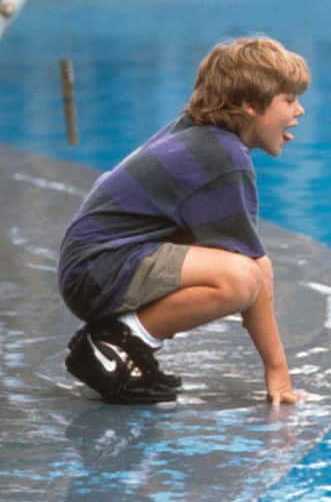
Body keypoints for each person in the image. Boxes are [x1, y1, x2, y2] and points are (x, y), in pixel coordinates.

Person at [57, 36, 308, 406]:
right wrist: (278, 373)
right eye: (288, 100)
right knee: (241, 278)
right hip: (98, 269)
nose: (299, 111)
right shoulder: (223, 157)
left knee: (248, 271)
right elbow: (255, 273)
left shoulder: (199, 132)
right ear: (250, 106)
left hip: (94, 264)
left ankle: (122, 337)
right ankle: (118, 343)